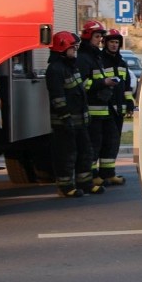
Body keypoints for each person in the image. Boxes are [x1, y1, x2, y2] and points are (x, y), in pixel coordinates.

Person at [44, 31, 103, 197]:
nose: (75, 52)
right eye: (72, 49)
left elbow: (80, 94)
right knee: (66, 156)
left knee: (85, 153)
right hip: (65, 123)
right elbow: (58, 98)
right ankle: (65, 187)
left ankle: (85, 183)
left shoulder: (71, 66)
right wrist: (65, 118)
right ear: (62, 49)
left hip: (80, 121)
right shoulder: (55, 70)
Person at [76, 19, 123, 188]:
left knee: (109, 141)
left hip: (104, 109)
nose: (100, 40)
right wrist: (104, 83)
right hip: (92, 111)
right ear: (88, 37)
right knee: (93, 145)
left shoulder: (95, 57)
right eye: (97, 36)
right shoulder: (83, 58)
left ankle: (107, 174)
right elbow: (82, 84)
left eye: (101, 37)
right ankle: (92, 176)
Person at [99, 28, 137, 185]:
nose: (114, 45)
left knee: (114, 142)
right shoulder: (100, 61)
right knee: (104, 142)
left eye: (116, 42)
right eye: (111, 42)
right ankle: (100, 174)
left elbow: (127, 85)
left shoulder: (121, 62)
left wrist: (129, 102)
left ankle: (109, 173)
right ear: (105, 43)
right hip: (105, 108)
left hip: (119, 109)